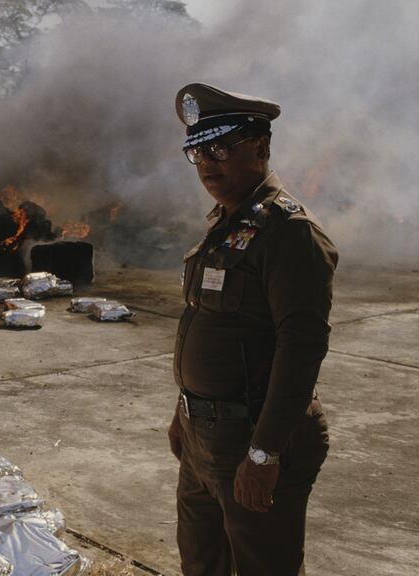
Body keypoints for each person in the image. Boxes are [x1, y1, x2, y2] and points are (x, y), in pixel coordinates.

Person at [168, 83, 338, 575]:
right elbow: (207, 324)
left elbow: (300, 349)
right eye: (196, 151)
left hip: (253, 435)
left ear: (260, 148)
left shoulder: (289, 233)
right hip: (205, 436)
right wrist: (182, 409)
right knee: (201, 563)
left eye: (220, 148)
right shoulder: (229, 221)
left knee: (267, 567)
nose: (206, 163)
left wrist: (264, 454)